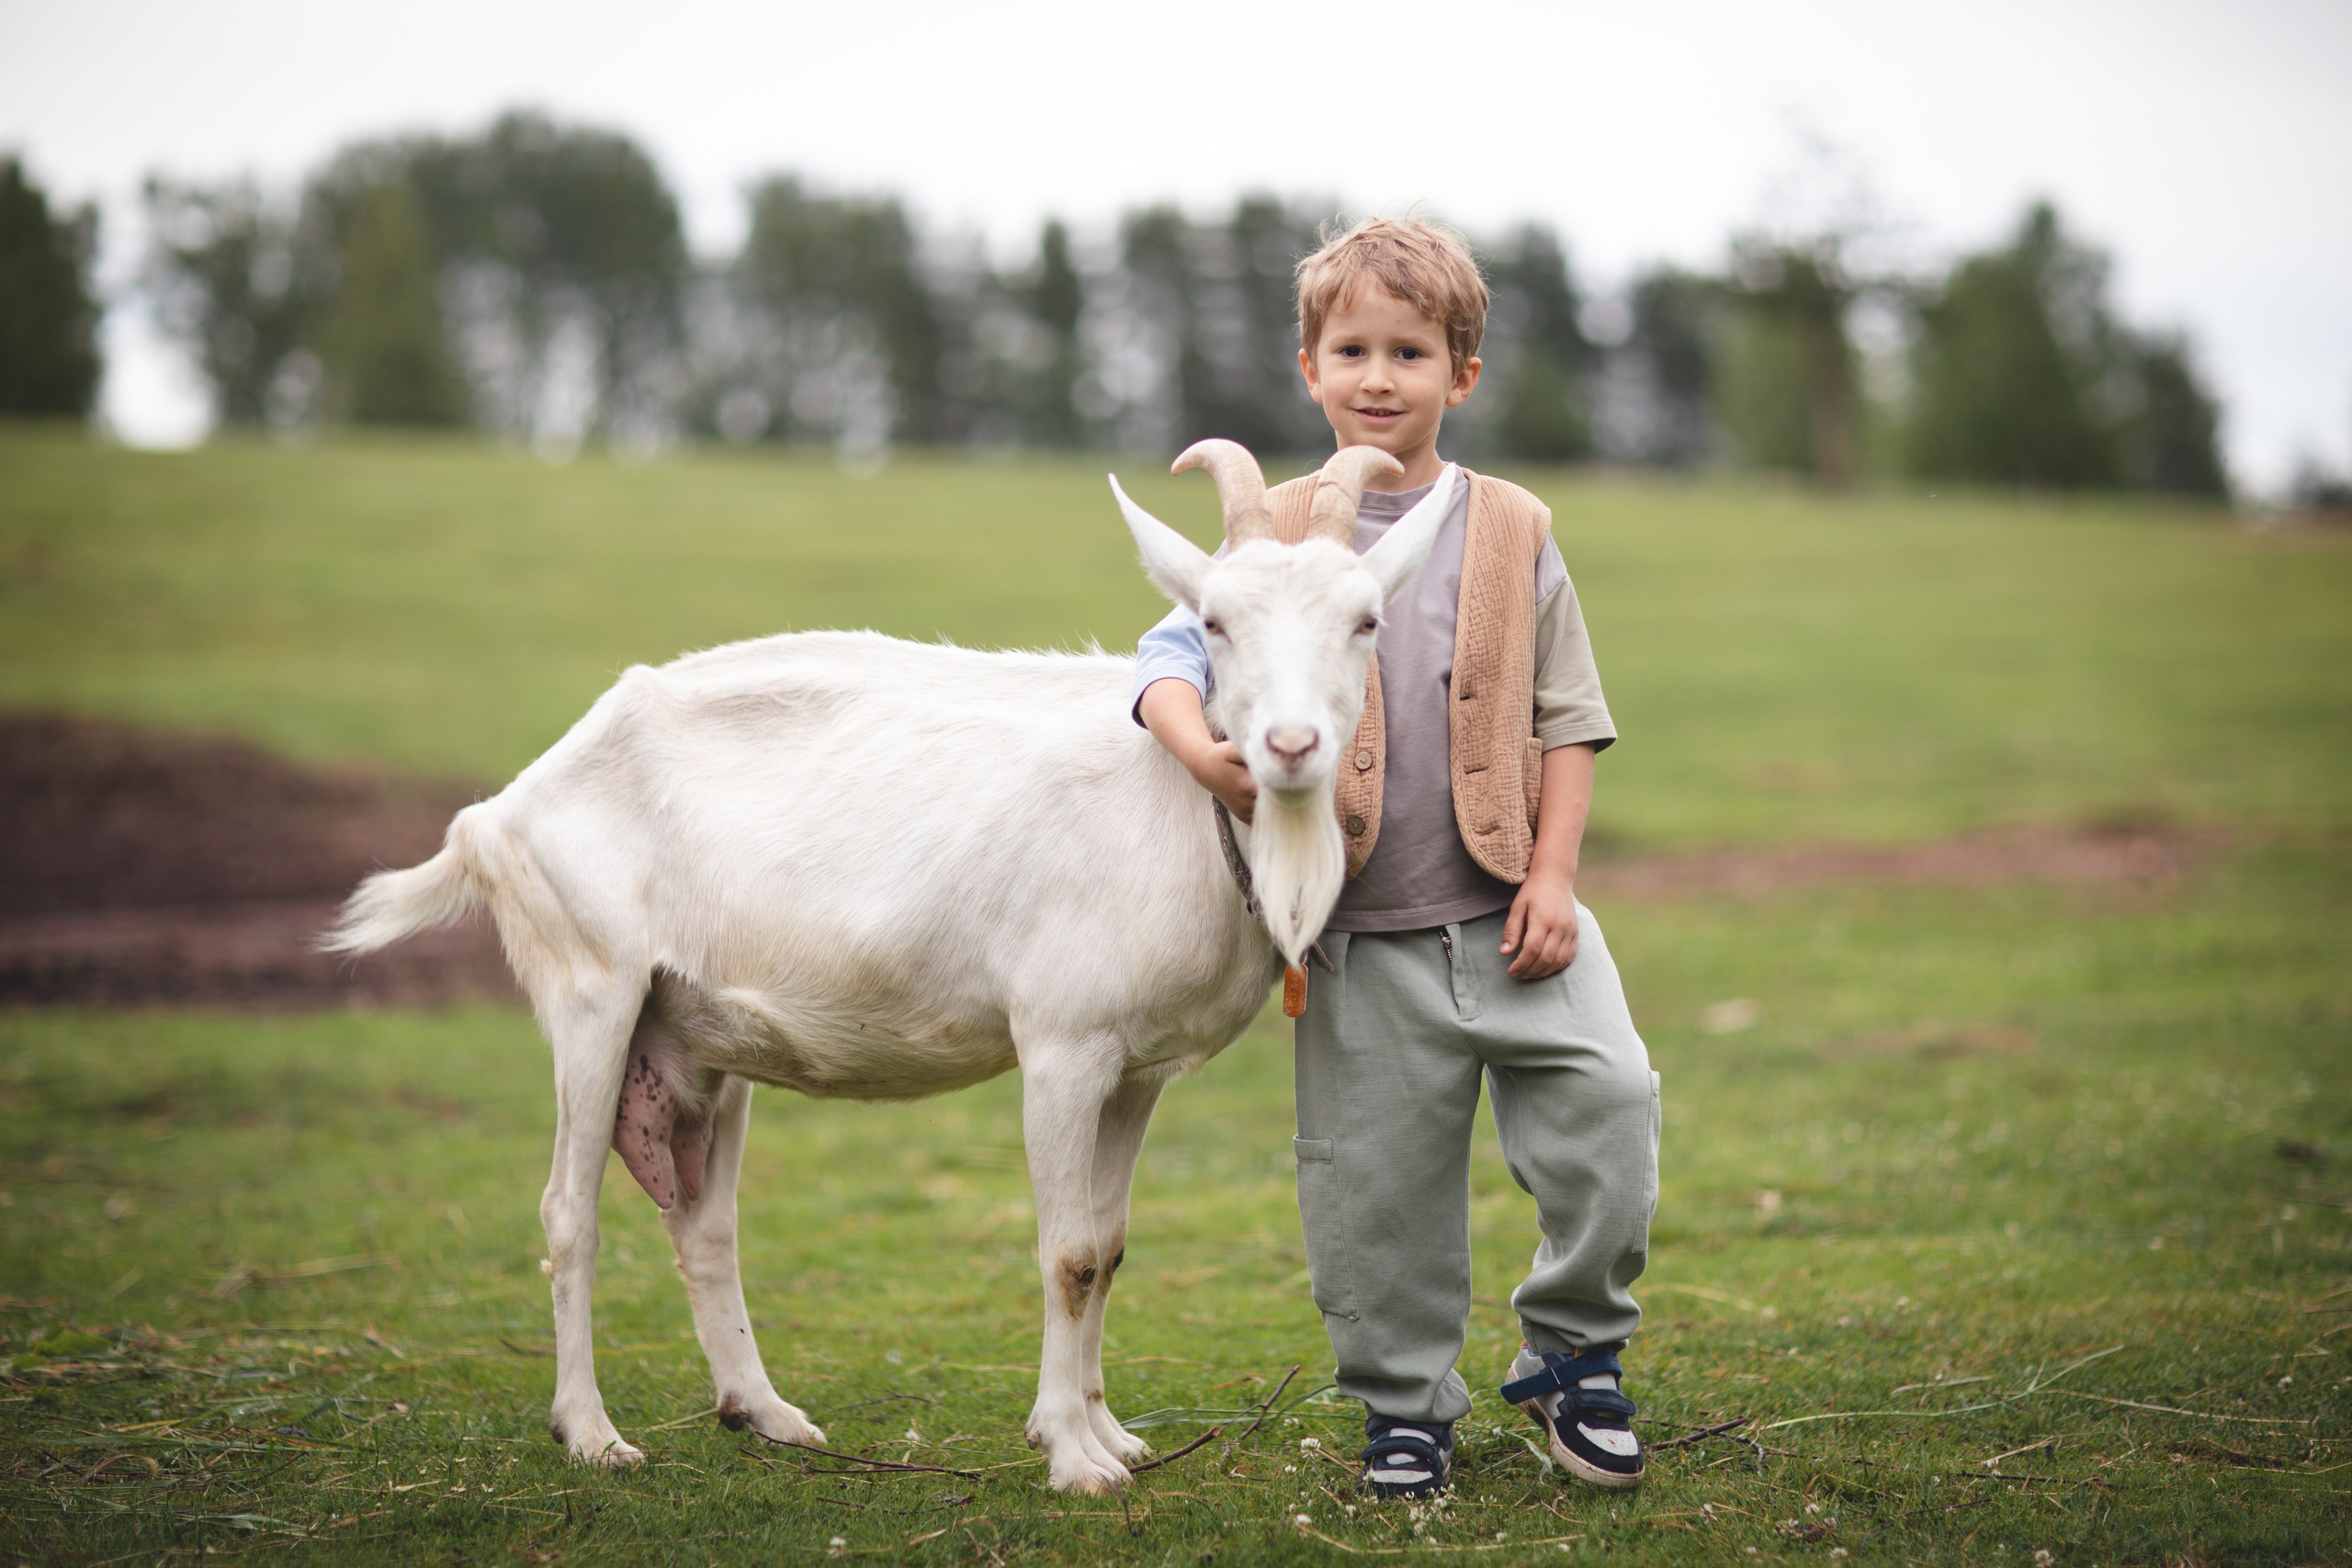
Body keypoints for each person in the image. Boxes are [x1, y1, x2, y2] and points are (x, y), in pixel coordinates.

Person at [1130, 216, 1658, 1496]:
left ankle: (1574, 1354)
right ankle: (1403, 1407)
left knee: (1614, 1107)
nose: (1378, 376)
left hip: (1514, 918)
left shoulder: (1516, 531)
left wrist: (1552, 879)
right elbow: (1170, 653)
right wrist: (1199, 750)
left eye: (1410, 352)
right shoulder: (1277, 527)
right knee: (1372, 1190)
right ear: (1310, 366)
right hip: (1357, 934)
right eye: (1351, 348)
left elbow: (1569, 721)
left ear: (1461, 374)